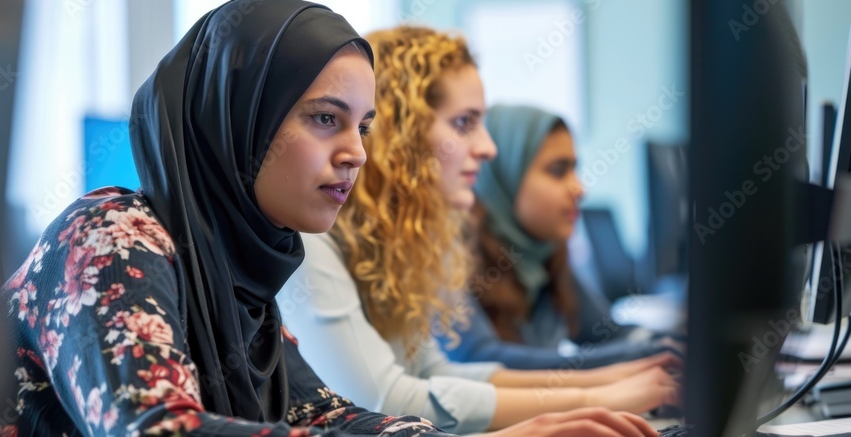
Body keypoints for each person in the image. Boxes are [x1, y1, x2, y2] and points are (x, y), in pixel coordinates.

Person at [0, 2, 656, 436]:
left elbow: (326, 411)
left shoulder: (239, 277)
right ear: (238, 118)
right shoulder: (112, 236)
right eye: (324, 118)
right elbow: (159, 429)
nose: (357, 152)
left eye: (363, 126)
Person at [277, 26, 678, 435]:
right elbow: (384, 400)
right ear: (404, 135)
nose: (488, 148)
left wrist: (606, 387)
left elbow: (436, 372)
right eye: (465, 123)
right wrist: (594, 397)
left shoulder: (409, 244)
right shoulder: (313, 237)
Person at [436, 105, 681, 370]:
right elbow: (481, 358)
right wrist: (654, 354)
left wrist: (678, 342)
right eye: (558, 170)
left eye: (575, 169)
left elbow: (607, 334)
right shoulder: (450, 256)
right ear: (504, 176)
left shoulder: (544, 252)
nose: (579, 188)